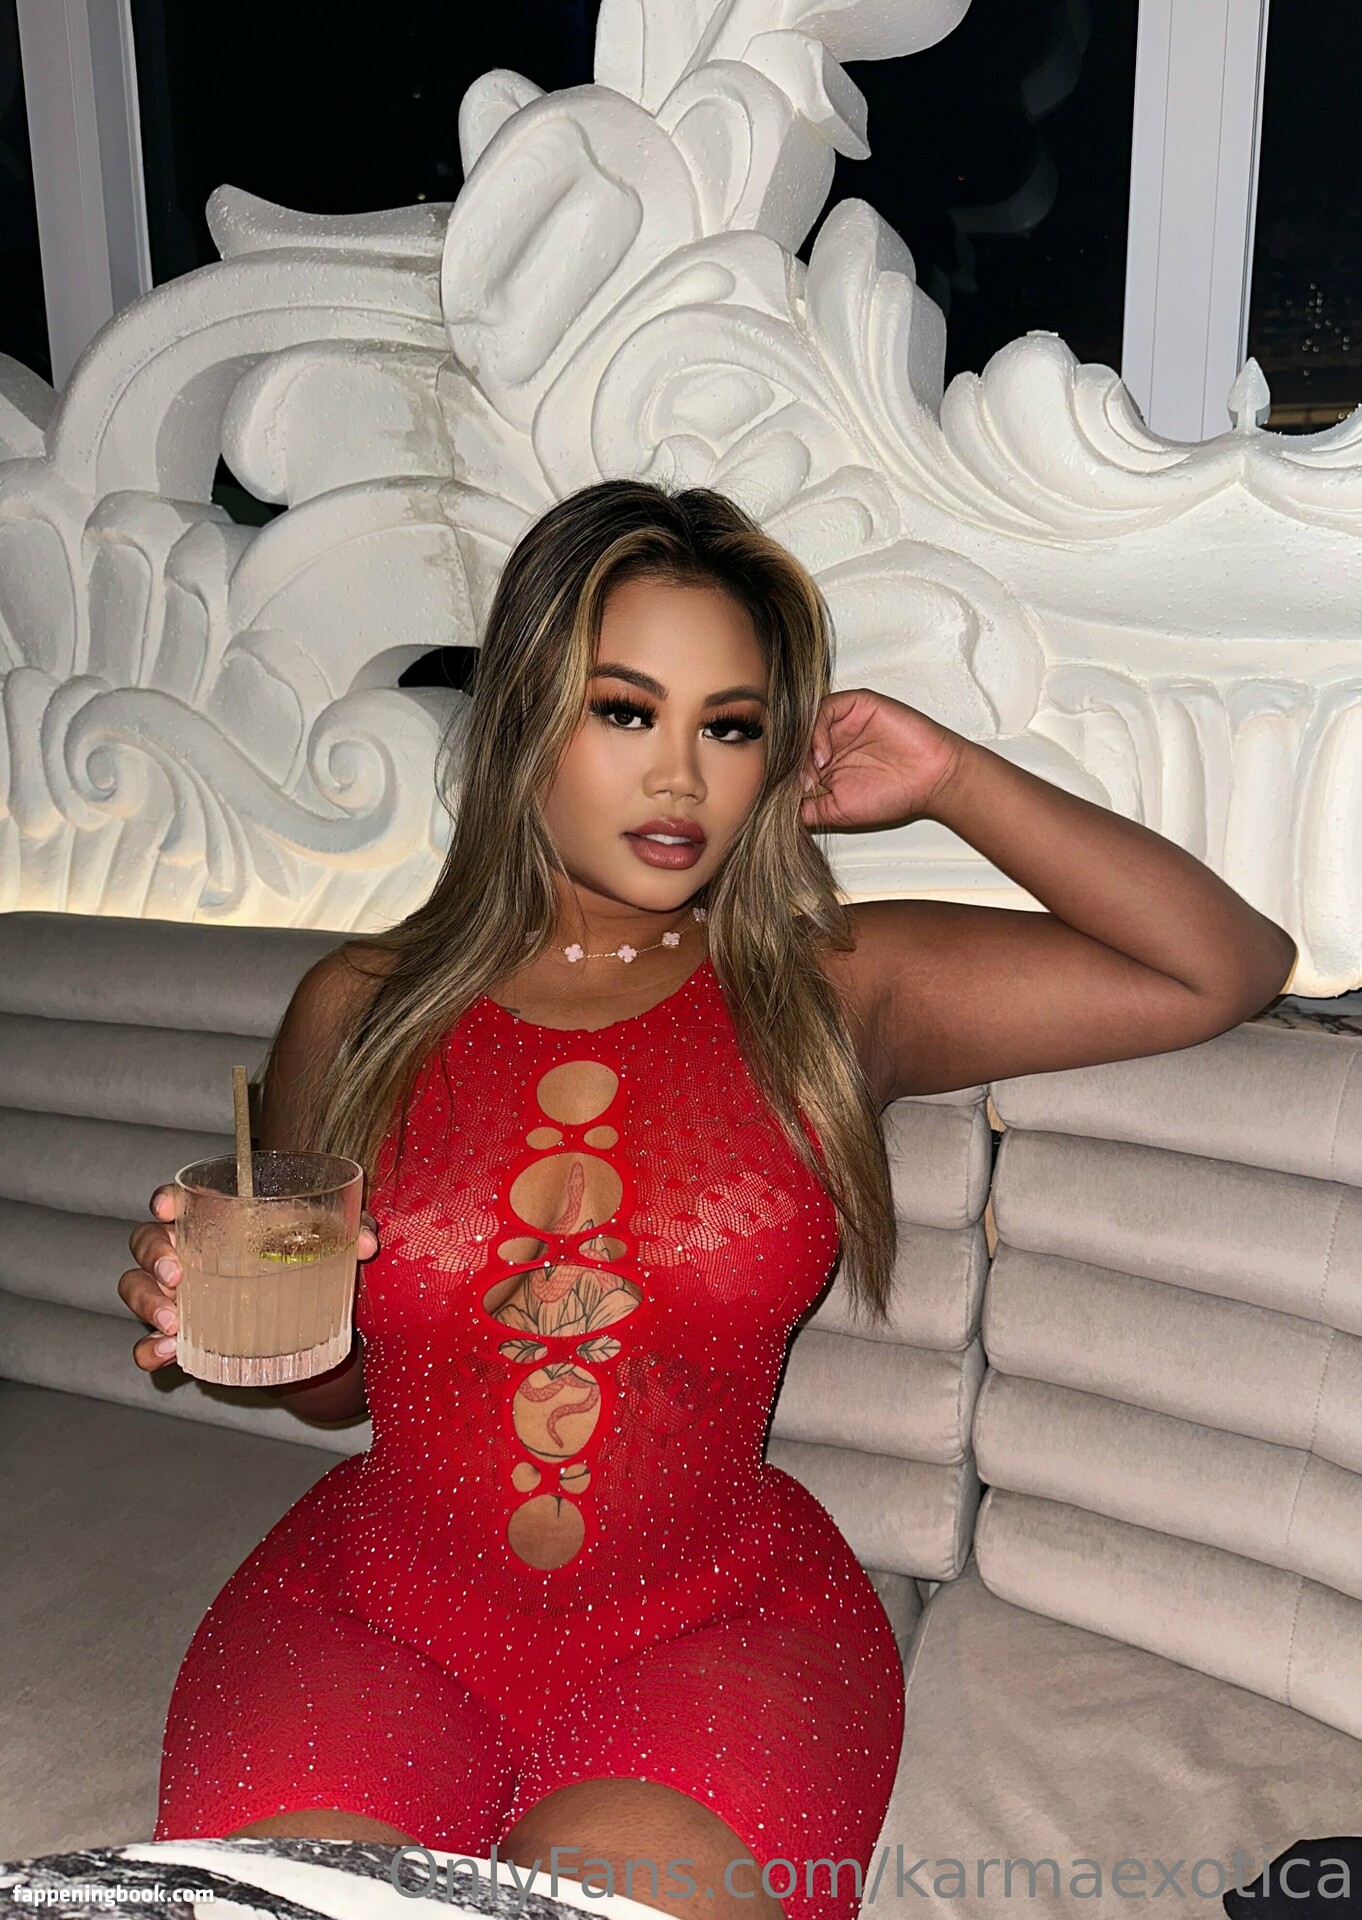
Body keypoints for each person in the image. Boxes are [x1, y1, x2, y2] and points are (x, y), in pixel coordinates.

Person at [119, 480, 1297, 1920]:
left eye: (728, 728)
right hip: (375, 1615)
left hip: (710, 1634)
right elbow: (334, 1392)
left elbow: (1222, 964)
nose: (678, 778)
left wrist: (948, 776)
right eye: (625, 711)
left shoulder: (832, 987)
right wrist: (224, 1322)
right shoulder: (359, 1003)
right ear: (524, 719)